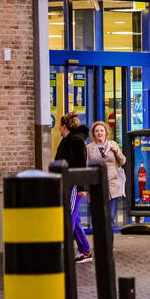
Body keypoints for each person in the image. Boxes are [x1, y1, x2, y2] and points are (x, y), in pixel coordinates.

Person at [54, 112, 93, 263]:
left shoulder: (75, 142)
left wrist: (82, 187)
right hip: (67, 184)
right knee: (74, 219)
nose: (58, 129)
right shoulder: (68, 140)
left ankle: (63, 253)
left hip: (73, 185)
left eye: (59, 127)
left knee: (68, 217)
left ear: (64, 127)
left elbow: (80, 164)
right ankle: (85, 251)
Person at [85, 121, 127, 232]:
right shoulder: (89, 148)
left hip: (113, 183)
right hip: (97, 183)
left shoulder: (113, 144)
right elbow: (86, 166)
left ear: (106, 132)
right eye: (97, 131)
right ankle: (101, 241)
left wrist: (117, 151)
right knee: (100, 215)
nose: (99, 133)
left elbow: (123, 161)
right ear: (93, 134)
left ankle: (109, 244)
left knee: (111, 216)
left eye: (102, 131)